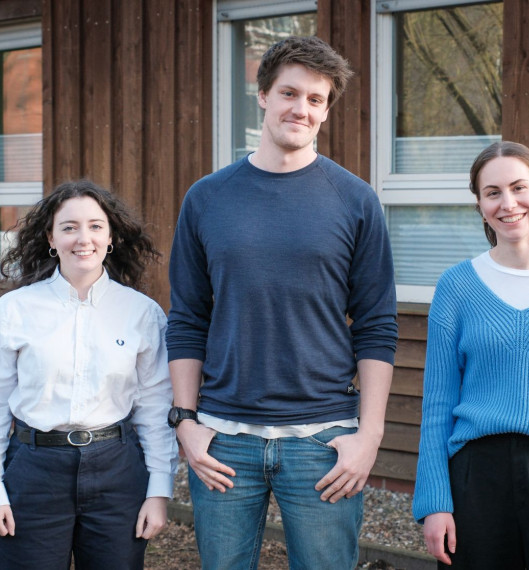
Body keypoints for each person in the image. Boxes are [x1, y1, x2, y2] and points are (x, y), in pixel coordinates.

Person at [166, 35, 398, 569]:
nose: (303, 108)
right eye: (290, 93)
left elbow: (377, 325)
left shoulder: (356, 200)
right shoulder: (207, 197)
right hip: (225, 440)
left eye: (316, 100)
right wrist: (185, 421)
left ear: (326, 111)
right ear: (264, 95)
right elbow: (187, 319)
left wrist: (370, 435)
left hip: (323, 442)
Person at [0, 180, 179, 569]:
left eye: (96, 226)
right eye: (69, 227)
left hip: (117, 471)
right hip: (33, 472)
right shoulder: (13, 311)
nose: (84, 238)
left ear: (110, 236)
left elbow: (154, 407)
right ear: (51, 237)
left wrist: (158, 491)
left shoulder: (142, 313)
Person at [413, 141, 529, 569]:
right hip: (476, 479)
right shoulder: (457, 286)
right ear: (480, 204)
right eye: (493, 192)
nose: (508, 203)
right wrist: (434, 502)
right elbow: (437, 405)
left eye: (519, 187)